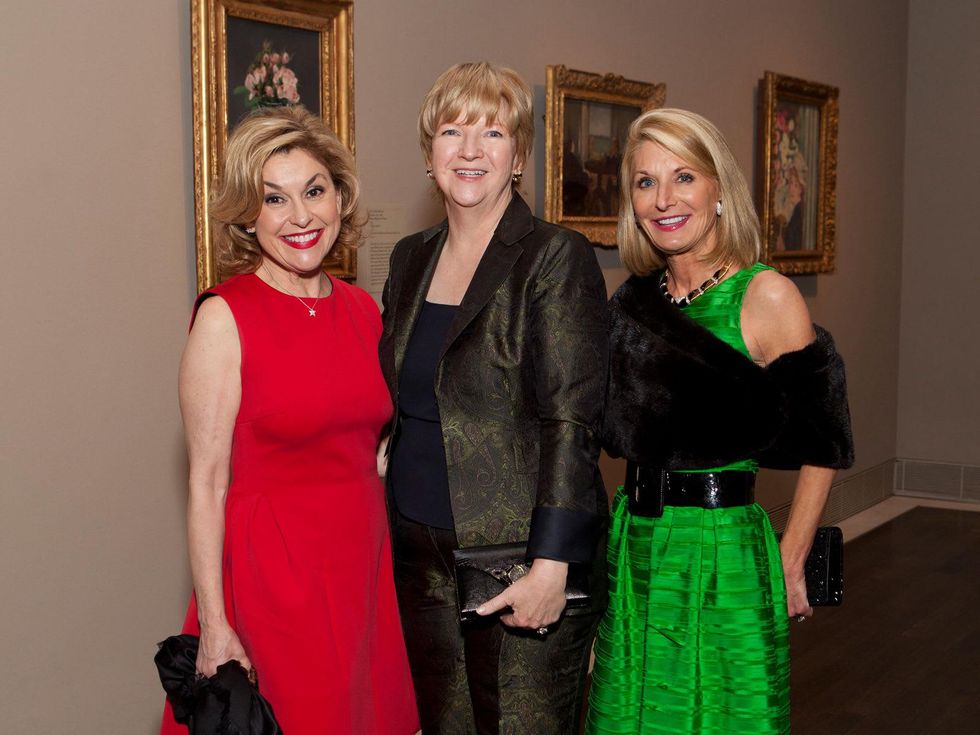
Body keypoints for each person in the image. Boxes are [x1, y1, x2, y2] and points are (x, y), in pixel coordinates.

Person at [586, 108, 854, 734]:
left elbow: (825, 441)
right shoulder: (633, 300)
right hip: (637, 547)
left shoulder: (765, 296)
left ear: (719, 190)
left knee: (717, 716)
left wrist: (792, 556)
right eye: (645, 182)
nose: (664, 199)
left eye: (684, 177)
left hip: (722, 551)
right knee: (628, 717)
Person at [160, 106, 418, 735]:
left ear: (340, 197)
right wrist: (217, 624)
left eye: (314, 191)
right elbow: (206, 482)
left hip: (363, 568)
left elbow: (368, 439)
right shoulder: (226, 316)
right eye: (275, 199)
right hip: (272, 580)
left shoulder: (365, 312)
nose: (300, 217)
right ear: (251, 216)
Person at [379, 62, 609, 734]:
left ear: (519, 156)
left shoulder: (553, 255)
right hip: (420, 558)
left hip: (519, 557)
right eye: (452, 131)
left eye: (493, 132)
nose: (471, 150)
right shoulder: (408, 258)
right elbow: (407, 390)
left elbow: (573, 417)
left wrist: (552, 563)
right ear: (429, 154)